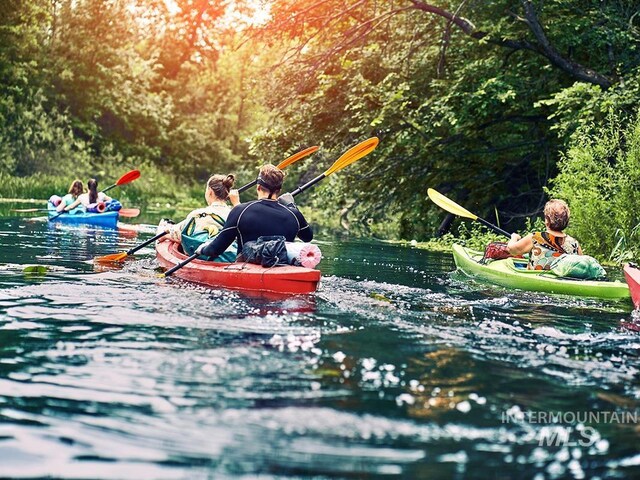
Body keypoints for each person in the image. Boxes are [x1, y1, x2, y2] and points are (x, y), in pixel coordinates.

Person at [195, 164, 313, 260]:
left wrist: (202, 249)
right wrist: (292, 206)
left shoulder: (240, 211)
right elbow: (307, 237)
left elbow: (215, 250)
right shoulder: (294, 214)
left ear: (258, 187)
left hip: (247, 270)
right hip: (281, 267)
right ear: (279, 190)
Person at [160, 174, 240, 245]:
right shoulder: (236, 215)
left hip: (204, 254)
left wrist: (166, 234)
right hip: (229, 256)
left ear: (210, 192)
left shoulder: (198, 214)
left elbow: (180, 236)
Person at [507, 199, 583, 270]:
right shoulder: (574, 243)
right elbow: (581, 267)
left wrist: (514, 237)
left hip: (537, 280)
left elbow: (511, 250)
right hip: (564, 281)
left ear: (547, 220)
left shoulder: (535, 237)